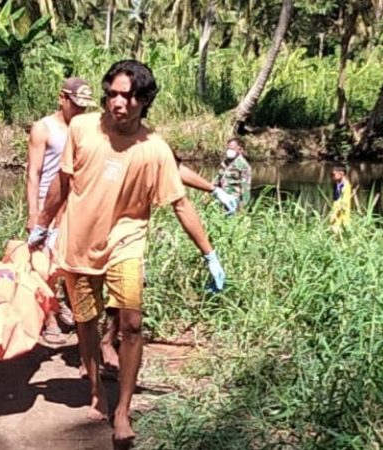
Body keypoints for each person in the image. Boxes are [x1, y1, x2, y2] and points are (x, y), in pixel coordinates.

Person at [28, 60, 226, 448]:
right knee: (86, 322)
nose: (119, 102)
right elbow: (61, 181)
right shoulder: (83, 128)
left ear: (144, 100)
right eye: (113, 94)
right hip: (78, 243)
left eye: (129, 95)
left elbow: (180, 204)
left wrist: (209, 254)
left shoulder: (154, 149)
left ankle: (122, 409)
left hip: (126, 242)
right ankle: (97, 390)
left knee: (131, 322)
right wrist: (42, 224)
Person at [26, 77, 94, 345]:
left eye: (84, 107)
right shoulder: (44, 128)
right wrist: (34, 214)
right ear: (62, 98)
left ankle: (73, 311)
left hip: (75, 204)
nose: (79, 111)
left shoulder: (88, 129)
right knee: (46, 265)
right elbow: (34, 172)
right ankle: (49, 318)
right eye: (75, 105)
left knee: (70, 262)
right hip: (48, 201)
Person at [213, 137, 252, 209]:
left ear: (240, 150)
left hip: (234, 200)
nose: (229, 151)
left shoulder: (243, 165)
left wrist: (244, 205)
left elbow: (246, 187)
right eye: (228, 148)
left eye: (232, 149)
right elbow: (217, 179)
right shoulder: (225, 163)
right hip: (221, 198)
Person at [330, 164, 352, 233]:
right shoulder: (337, 184)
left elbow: (344, 203)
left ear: (341, 173)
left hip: (342, 215)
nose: (332, 177)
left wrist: (335, 214)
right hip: (335, 213)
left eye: (334, 175)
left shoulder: (346, 186)